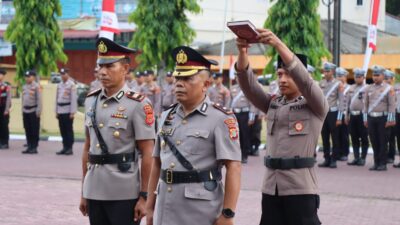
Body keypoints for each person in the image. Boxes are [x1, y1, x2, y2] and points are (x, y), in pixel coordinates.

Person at [235, 28, 328, 225]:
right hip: (271, 187)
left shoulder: (315, 104)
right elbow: (248, 86)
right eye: (279, 74)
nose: (283, 80)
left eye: (289, 75)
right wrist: (243, 52)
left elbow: (306, 81)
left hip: (300, 188)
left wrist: (277, 44)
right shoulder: (274, 103)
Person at [146, 46, 242, 225]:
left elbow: (234, 167)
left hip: (200, 211)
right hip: (166, 206)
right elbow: (157, 163)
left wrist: (228, 214)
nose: (179, 83)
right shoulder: (167, 116)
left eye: (187, 78)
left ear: (206, 84)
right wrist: (150, 206)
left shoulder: (220, 118)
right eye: (177, 78)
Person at [79, 37, 156, 225]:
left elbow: (148, 153)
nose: (102, 72)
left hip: (124, 192)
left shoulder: (138, 104)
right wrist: (84, 191)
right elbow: (87, 148)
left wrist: (145, 196)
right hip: (95, 189)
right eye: (100, 66)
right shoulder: (91, 100)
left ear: (125, 69)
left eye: (110, 66)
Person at [364, 65, 396, 171]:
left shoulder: (388, 88)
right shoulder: (369, 88)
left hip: (383, 118)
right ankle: (376, 162)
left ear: (383, 75)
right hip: (371, 118)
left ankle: (383, 163)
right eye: (374, 75)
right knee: (373, 141)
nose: (375, 77)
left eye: (377, 75)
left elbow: (392, 105)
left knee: (383, 142)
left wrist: (390, 119)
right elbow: (366, 105)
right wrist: (365, 118)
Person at [318, 62, 343, 168]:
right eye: (324, 71)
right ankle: (326, 158)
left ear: (332, 72)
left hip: (333, 113)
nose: (325, 73)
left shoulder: (338, 84)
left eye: (328, 71)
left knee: (335, 137)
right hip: (323, 113)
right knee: (324, 136)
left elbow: (341, 101)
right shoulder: (321, 83)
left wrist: (339, 117)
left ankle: (334, 159)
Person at [345, 68, 369, 166]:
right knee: (354, 137)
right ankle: (356, 157)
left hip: (362, 115)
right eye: (356, 77)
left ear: (363, 77)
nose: (357, 79)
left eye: (359, 77)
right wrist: (346, 115)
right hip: (353, 115)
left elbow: (368, 104)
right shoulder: (351, 88)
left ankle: (363, 158)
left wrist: (367, 117)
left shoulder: (367, 88)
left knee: (363, 137)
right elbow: (347, 103)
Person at [230, 79, 256, 163]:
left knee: (245, 135)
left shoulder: (248, 89)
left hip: (245, 114)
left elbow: (252, 104)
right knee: (236, 135)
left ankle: (244, 155)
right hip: (235, 114)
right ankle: (237, 154)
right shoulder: (233, 88)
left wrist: (251, 117)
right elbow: (229, 102)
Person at [55, 68, 78, 155]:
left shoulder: (71, 85)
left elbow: (73, 99)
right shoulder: (59, 85)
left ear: (68, 74)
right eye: (61, 74)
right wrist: (56, 111)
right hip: (60, 110)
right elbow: (56, 99)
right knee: (62, 130)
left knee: (68, 130)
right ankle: (64, 147)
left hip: (68, 111)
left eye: (64, 74)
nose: (62, 75)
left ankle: (70, 148)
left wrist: (72, 112)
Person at [21, 70, 42, 154]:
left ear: (33, 77)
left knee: (34, 130)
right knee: (27, 129)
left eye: (29, 76)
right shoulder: (24, 86)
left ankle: (34, 147)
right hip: (25, 111)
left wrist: (38, 111)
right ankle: (29, 146)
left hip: (33, 111)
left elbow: (39, 100)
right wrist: (22, 110)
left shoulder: (36, 86)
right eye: (26, 76)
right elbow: (23, 100)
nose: (27, 78)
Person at [336, 67, 350, 161]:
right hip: (335, 113)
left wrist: (348, 114)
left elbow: (350, 103)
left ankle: (344, 153)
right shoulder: (334, 87)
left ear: (345, 77)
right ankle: (337, 152)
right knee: (336, 134)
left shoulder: (349, 88)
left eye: (341, 76)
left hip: (345, 113)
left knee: (344, 134)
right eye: (338, 76)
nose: (339, 78)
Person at [383, 69, 396, 164]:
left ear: (392, 79)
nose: (387, 80)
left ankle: (391, 156)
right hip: (384, 115)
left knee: (392, 137)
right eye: (385, 78)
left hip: (395, 116)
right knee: (384, 137)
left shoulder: (395, 88)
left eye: (388, 78)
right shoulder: (381, 89)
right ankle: (384, 155)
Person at [0, 68, 11, 149]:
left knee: (4, 125)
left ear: (3, 76)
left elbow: (8, 99)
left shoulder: (6, 86)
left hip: (3, 107)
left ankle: (5, 142)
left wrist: (7, 109)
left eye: (1, 74)